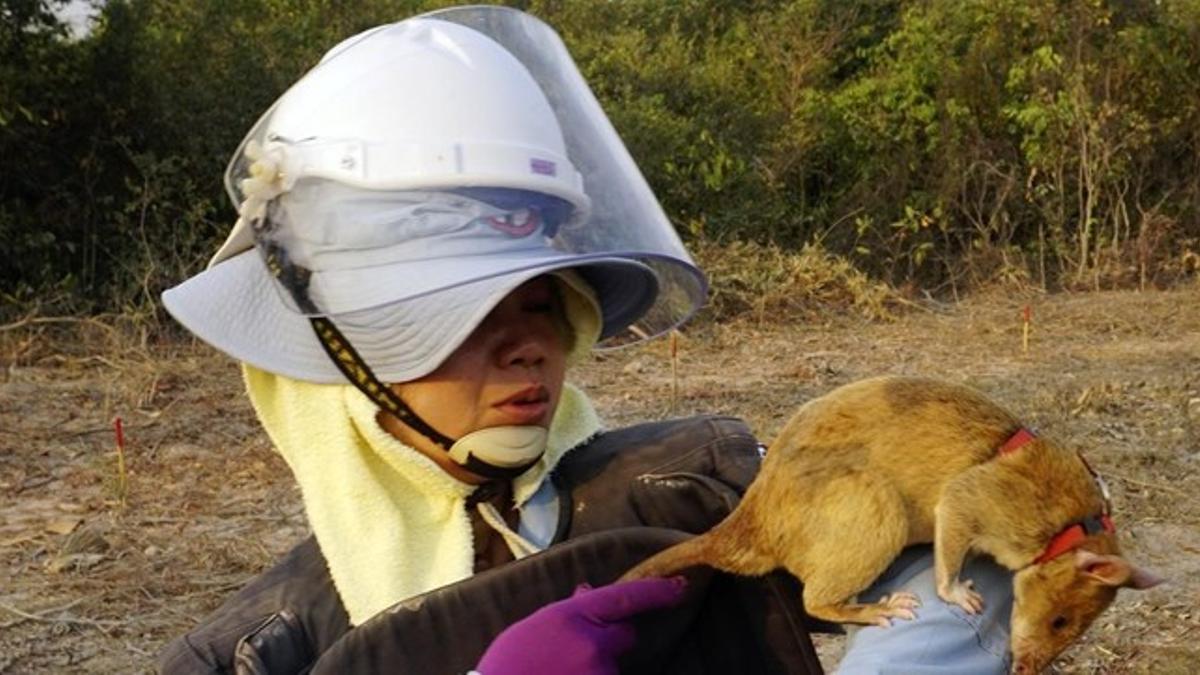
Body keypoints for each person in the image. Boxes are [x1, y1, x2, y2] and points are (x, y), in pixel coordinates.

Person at [158, 6, 1014, 674]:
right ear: (341, 351)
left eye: (541, 304)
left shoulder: (693, 486)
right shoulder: (264, 649)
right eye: (459, 312)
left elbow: (963, 558)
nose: (528, 346)